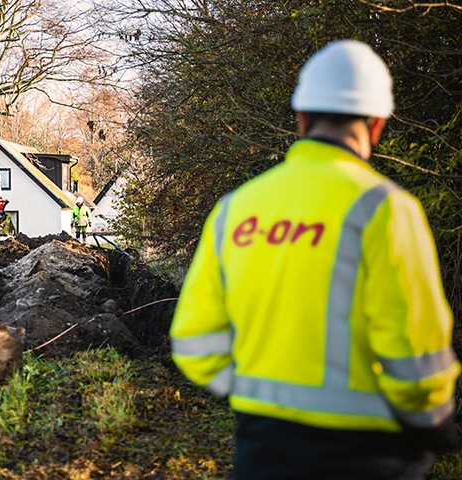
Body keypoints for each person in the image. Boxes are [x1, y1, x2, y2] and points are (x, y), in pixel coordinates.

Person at [169, 40, 459, 480]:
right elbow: (414, 357)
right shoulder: (386, 210)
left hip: (260, 453)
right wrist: (434, 422)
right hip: (368, 458)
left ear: (301, 117)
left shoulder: (237, 208)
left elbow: (194, 340)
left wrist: (254, 398)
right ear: (377, 124)